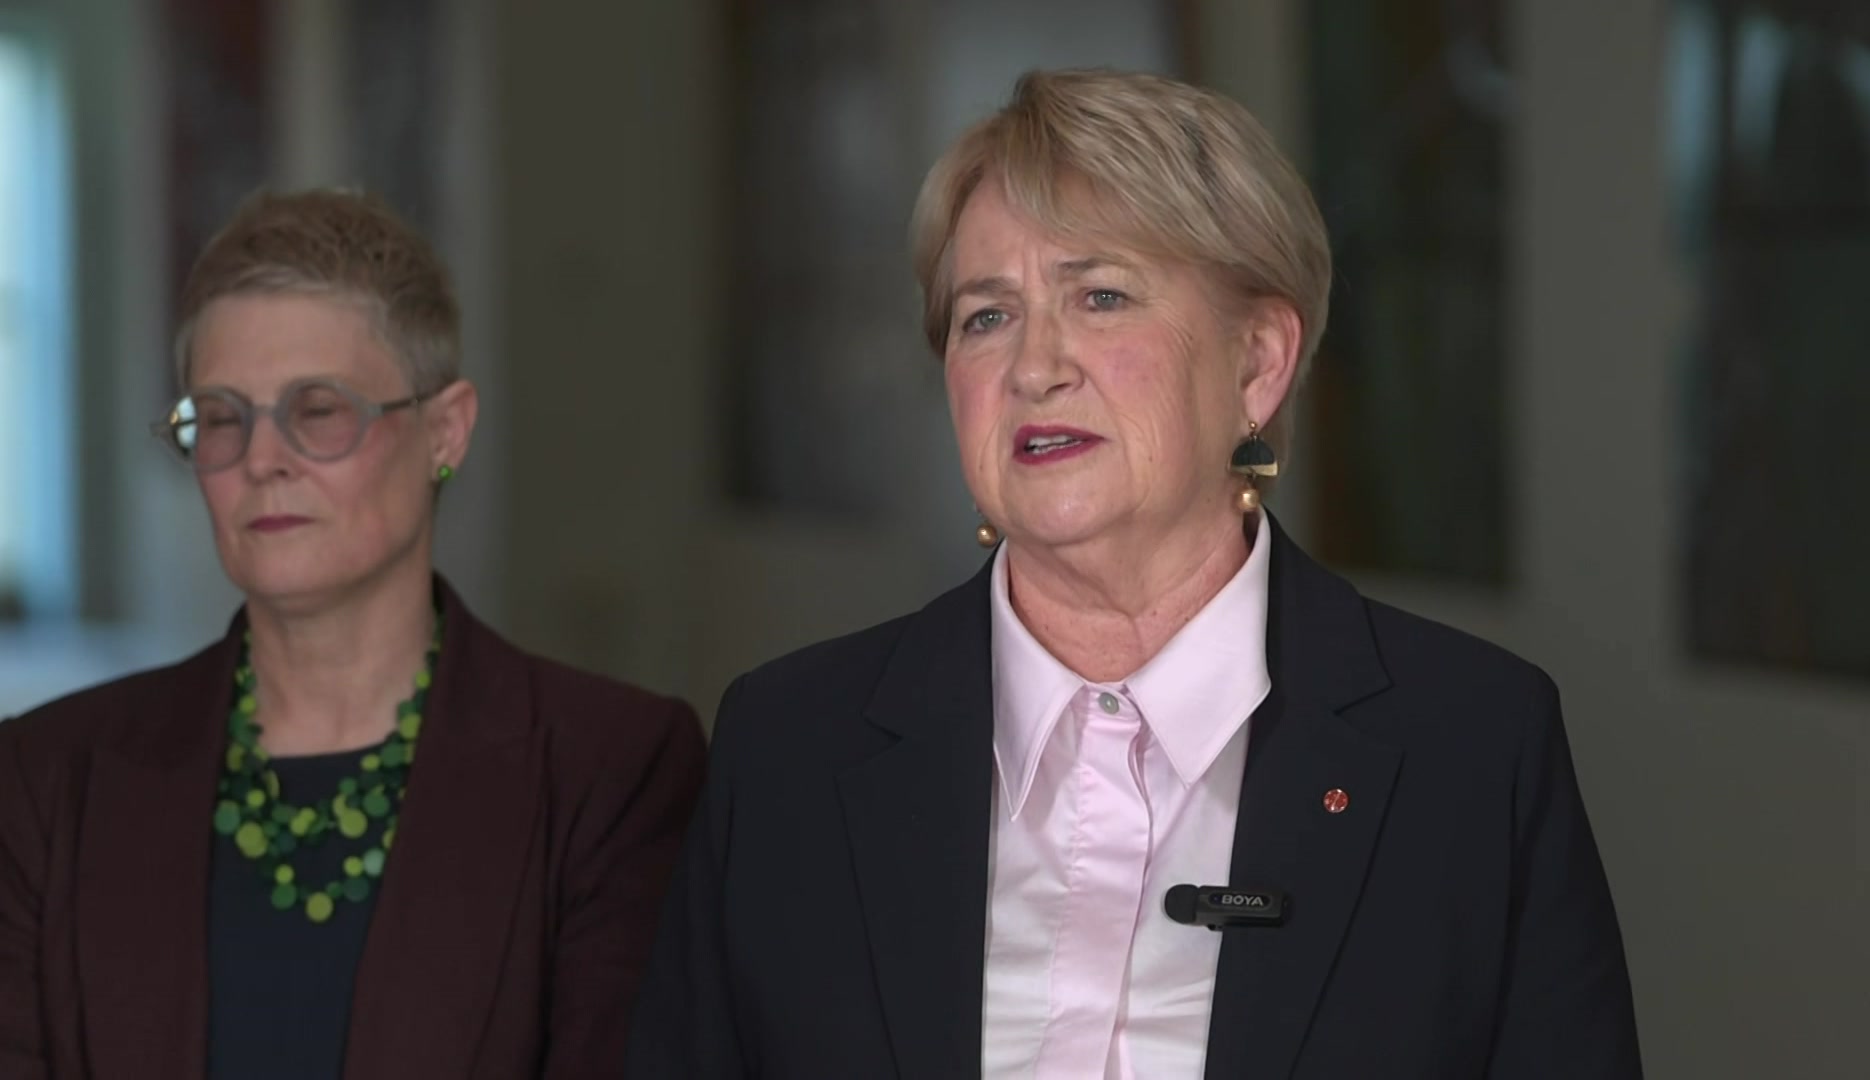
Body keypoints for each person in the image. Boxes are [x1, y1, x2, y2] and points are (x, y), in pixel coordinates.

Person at [630, 70, 1641, 1078]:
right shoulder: (788, 747)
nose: (1034, 368)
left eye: (1100, 297)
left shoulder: (1471, 752)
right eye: (986, 316)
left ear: (1256, 364)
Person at [0, 189, 706, 1079]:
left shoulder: (613, 770)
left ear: (445, 430)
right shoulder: (46, 778)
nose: (261, 459)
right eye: (220, 417)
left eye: (319, 410)